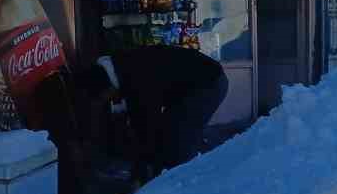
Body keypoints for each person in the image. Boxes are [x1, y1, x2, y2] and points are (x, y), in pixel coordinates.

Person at [75, 46, 228, 185]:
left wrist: (144, 167)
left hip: (209, 83)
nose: (108, 101)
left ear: (106, 87)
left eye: (104, 98)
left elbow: (147, 124)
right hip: (191, 86)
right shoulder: (120, 68)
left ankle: (186, 185)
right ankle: (176, 176)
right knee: (172, 132)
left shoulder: (136, 79)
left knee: (180, 136)